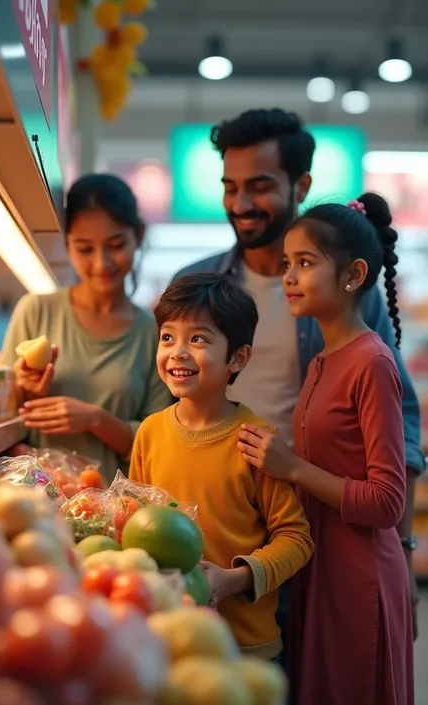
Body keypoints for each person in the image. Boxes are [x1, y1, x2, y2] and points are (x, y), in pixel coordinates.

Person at [171, 108, 424, 649]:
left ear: (300, 184)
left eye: (259, 186)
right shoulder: (197, 289)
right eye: (230, 186)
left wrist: (401, 553)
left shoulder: (346, 299)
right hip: (223, 528)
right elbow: (167, 409)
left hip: (318, 526)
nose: (240, 204)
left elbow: (397, 423)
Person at [238, 194, 414, 705]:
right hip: (318, 565)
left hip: (359, 574)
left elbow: (387, 502)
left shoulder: (372, 363)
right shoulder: (320, 361)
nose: (289, 276)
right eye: (287, 264)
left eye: (306, 263)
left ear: (353, 274)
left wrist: (291, 467)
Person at [129, 273, 314, 658]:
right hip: (170, 638)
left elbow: (296, 539)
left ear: (237, 357)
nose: (178, 352)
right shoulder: (149, 432)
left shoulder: (257, 440)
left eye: (197, 339)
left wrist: (233, 580)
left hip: (245, 646)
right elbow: (134, 520)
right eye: (168, 337)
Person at [2, 173, 171, 480]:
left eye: (116, 244)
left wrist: (95, 419)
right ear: (67, 244)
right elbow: (1, 419)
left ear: (139, 236)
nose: (101, 262)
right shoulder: (36, 311)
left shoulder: (154, 333)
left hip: (120, 508)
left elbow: (159, 440)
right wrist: (25, 390)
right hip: (41, 500)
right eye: (84, 248)